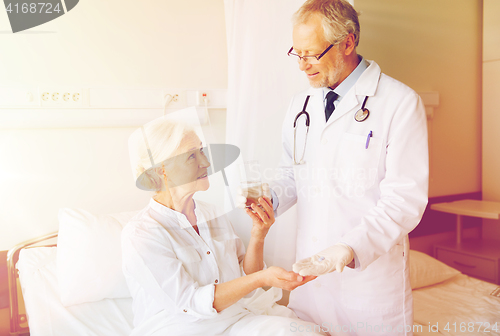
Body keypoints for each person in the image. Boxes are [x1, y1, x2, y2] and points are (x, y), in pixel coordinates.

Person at [253, 1, 428, 335]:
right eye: (297, 53)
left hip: (368, 283)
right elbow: (292, 172)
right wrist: (269, 200)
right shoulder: (300, 105)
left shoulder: (399, 103)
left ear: (348, 42)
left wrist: (349, 249)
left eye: (312, 54)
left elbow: (405, 201)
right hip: (310, 280)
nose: (302, 66)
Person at [122, 115, 325, 336]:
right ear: (162, 170)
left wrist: (259, 234)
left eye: (202, 151)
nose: (207, 163)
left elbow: (246, 277)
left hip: (235, 320)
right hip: (181, 329)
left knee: (309, 333)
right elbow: (190, 304)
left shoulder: (212, 214)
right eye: (192, 156)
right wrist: (261, 278)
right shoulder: (142, 234)